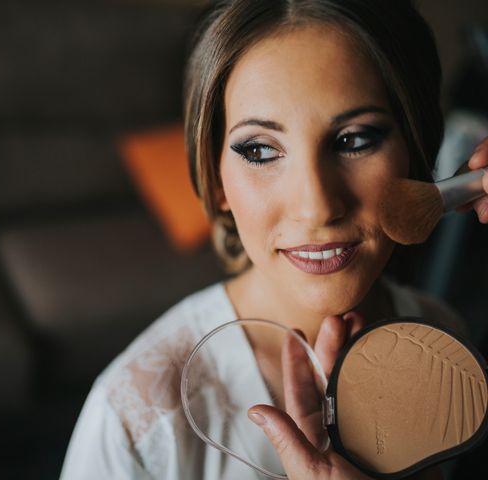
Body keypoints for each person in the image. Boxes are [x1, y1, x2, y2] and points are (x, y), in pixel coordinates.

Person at [60, 1, 488, 479]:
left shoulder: (444, 342)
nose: (317, 206)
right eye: (260, 150)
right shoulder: (139, 420)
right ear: (217, 181)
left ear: (416, 155)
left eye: (354, 140)